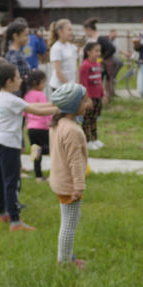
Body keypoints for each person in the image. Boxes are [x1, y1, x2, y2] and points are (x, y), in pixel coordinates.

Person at [0, 63, 57, 230]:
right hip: (8, 144)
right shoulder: (12, 99)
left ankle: (0, 212)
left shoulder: (2, 96)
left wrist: (54, 104)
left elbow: (36, 106)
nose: (21, 79)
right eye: (18, 77)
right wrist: (63, 108)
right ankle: (15, 220)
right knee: (11, 181)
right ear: (9, 81)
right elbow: (37, 111)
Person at [48, 82, 91, 270]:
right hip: (69, 185)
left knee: (70, 220)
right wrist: (78, 187)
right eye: (84, 100)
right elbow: (75, 161)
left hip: (59, 180)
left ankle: (66, 256)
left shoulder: (59, 124)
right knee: (69, 225)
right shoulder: (72, 130)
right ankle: (64, 262)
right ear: (74, 105)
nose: (88, 103)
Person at [24, 69, 51, 182]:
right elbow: (46, 110)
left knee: (36, 153)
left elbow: (24, 111)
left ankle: (38, 176)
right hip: (42, 128)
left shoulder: (26, 94)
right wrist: (51, 123)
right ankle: (55, 174)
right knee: (51, 149)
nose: (45, 85)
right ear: (36, 83)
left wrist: (26, 123)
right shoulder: (40, 95)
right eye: (44, 82)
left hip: (31, 128)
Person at [78, 41, 105, 150]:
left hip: (98, 97)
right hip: (90, 98)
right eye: (96, 51)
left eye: (99, 51)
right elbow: (84, 83)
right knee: (87, 119)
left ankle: (95, 138)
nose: (99, 53)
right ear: (88, 52)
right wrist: (87, 98)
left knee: (94, 118)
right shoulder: (85, 65)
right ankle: (87, 140)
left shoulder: (98, 64)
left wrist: (103, 93)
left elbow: (99, 80)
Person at [82, 18, 116, 102]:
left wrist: (101, 59)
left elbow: (112, 49)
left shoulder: (100, 39)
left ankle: (103, 99)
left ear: (89, 29)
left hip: (98, 66)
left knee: (100, 83)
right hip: (88, 66)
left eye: (85, 30)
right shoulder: (90, 39)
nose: (85, 33)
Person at [48, 19, 77, 93]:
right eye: (69, 30)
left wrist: (76, 85)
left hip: (71, 86)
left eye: (71, 30)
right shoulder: (56, 48)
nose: (71, 32)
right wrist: (68, 87)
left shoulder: (71, 46)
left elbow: (75, 67)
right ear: (60, 32)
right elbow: (58, 71)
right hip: (60, 87)